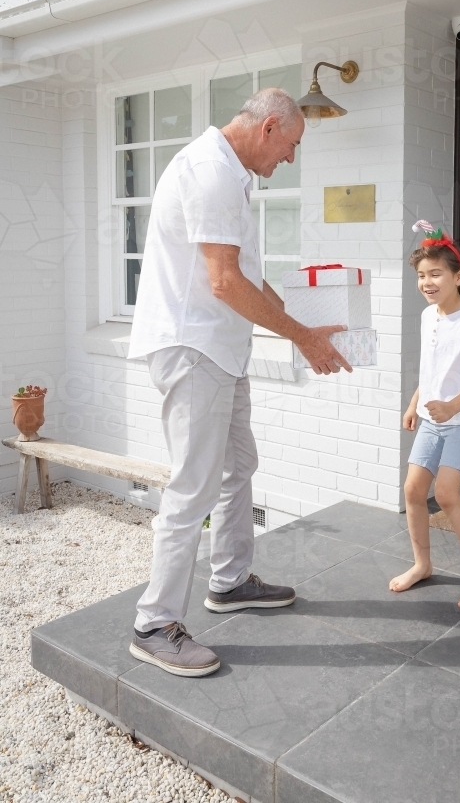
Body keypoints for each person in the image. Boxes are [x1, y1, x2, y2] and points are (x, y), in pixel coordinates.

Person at [127, 88, 351, 677]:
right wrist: (302, 340)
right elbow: (224, 283)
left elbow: (244, 278)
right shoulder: (211, 172)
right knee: (193, 487)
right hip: (193, 346)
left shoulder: (231, 173)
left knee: (237, 467)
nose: (290, 160)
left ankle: (228, 581)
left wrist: (304, 327)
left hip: (221, 349)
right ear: (270, 127)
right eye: (292, 146)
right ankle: (154, 623)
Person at [389, 222, 460, 612]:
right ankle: (422, 563)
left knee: (446, 494)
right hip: (431, 420)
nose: (428, 282)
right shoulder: (427, 316)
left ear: (459, 275)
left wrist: (453, 407)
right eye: (421, 275)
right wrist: (414, 403)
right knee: (413, 491)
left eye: (436, 274)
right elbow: (431, 369)